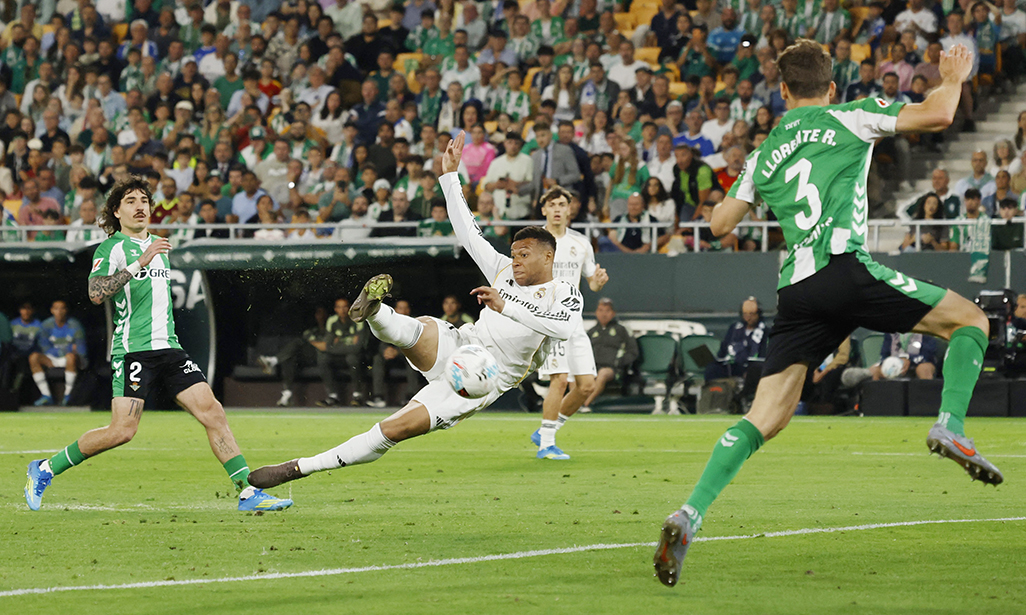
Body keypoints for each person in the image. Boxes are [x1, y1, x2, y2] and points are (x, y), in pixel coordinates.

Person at [654, 41, 999, 588]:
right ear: (831, 88)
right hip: (844, 267)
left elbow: (719, 225)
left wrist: (753, 179)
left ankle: (689, 514)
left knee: (766, 417)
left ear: (783, 91)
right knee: (971, 321)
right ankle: (951, 425)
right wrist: (953, 77)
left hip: (798, 290)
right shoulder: (850, 115)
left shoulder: (764, 151)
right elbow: (938, 113)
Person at [246, 132, 583, 490]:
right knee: (421, 327)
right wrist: (450, 176)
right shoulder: (501, 269)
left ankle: (301, 467)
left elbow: (561, 328)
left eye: (524, 255)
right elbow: (468, 234)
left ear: (548, 256)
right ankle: (375, 311)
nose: (514, 261)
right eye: (514, 254)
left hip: (482, 380)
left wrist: (507, 305)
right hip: (463, 346)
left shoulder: (564, 292)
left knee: (394, 429)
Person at [24, 177, 292, 513]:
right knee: (122, 431)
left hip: (170, 349)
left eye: (144, 200)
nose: (140, 206)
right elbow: (95, 293)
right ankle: (45, 469)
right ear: (117, 211)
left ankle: (246, 491)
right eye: (131, 201)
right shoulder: (113, 248)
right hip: (133, 350)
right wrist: (139, 263)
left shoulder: (159, 246)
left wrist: (149, 256)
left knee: (213, 413)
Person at [530, 187, 609, 459]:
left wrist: (597, 282)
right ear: (544, 210)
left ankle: (546, 430)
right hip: (548, 322)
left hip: (575, 322)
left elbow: (592, 282)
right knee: (560, 379)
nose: (557, 209)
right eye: (552, 204)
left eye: (562, 204)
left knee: (586, 385)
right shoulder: (533, 242)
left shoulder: (580, 243)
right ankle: (546, 445)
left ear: (569, 209)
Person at [259, 306, 331, 407]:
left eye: (323, 313)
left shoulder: (330, 330)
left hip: (322, 358)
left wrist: (310, 343)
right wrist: (313, 343)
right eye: (318, 313)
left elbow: (325, 346)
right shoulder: (310, 331)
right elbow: (307, 344)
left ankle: (273, 361)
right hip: (308, 358)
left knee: (297, 342)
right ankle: (287, 394)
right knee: (289, 358)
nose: (321, 316)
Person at [579, 298, 638, 410]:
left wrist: (619, 363)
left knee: (603, 373)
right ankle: (571, 403)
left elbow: (632, 352)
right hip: (593, 368)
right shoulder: (592, 332)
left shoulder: (622, 331)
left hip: (613, 369)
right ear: (596, 312)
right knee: (575, 375)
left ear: (613, 313)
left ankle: (585, 404)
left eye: (607, 311)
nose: (603, 314)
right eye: (600, 310)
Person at [28, 300, 86, 406]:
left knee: (71, 357)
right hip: (51, 358)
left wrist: (76, 356)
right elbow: (44, 347)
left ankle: (67, 396)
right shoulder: (46, 325)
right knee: (34, 357)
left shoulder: (75, 325)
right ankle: (46, 395)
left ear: (66, 310)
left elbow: (80, 348)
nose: (59, 311)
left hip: (69, 359)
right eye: (56, 308)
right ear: (52, 310)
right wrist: (67, 349)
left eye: (62, 308)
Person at [316, 298, 370, 407]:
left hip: (358, 357)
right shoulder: (332, 321)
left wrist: (337, 344)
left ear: (350, 308)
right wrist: (346, 344)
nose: (342, 310)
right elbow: (328, 344)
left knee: (352, 358)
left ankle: (357, 395)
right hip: (340, 356)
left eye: (345, 307)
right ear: (335, 309)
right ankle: (332, 396)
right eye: (339, 307)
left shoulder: (358, 319)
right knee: (323, 358)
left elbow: (358, 347)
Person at [704, 298, 767, 380]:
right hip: (733, 364)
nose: (748, 318)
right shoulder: (734, 329)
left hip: (752, 366)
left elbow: (763, 355)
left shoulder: (765, 332)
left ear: (758, 314)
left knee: (756, 371)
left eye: (752, 314)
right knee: (712, 369)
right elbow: (724, 349)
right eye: (745, 314)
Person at [869, 333, 940, 380]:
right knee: (873, 371)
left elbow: (928, 355)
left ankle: (927, 399)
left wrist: (909, 359)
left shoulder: (925, 328)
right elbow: (884, 354)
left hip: (919, 363)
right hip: (894, 364)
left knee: (923, 369)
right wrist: (892, 362)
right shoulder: (890, 329)